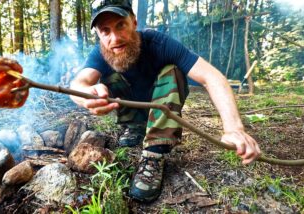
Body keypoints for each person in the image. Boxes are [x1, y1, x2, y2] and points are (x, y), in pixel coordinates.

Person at [69, 0, 261, 203]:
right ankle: (134, 127)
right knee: (109, 77)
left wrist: (233, 128)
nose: (114, 38)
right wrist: (86, 95)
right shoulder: (100, 52)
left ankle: (154, 153)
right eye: (105, 31)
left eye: (120, 25)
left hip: (162, 108)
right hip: (131, 108)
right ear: (98, 34)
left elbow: (212, 77)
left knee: (173, 71)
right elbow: (79, 83)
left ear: (133, 22)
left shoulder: (159, 43)